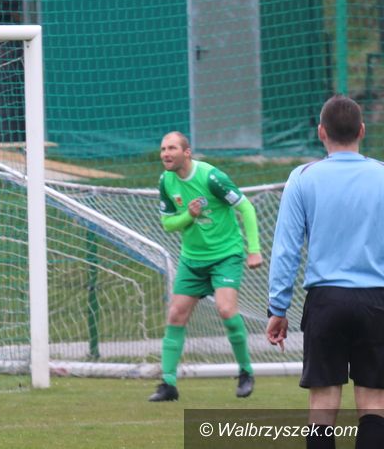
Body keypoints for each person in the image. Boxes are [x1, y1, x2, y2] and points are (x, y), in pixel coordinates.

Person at [266, 95, 384, 449]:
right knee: (374, 401)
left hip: (325, 301)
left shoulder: (303, 178)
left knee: (322, 404)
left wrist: (277, 308)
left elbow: (286, 250)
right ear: (362, 130)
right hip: (376, 301)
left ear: (321, 132)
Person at [148, 131, 262, 402]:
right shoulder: (166, 181)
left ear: (187, 152)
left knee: (226, 309)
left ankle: (246, 372)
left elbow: (246, 208)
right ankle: (168, 384)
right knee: (175, 314)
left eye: (172, 148)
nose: (166, 154)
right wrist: (189, 214)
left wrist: (254, 250)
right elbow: (168, 224)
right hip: (192, 260)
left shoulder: (212, 177)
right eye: (163, 149)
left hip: (225, 255)